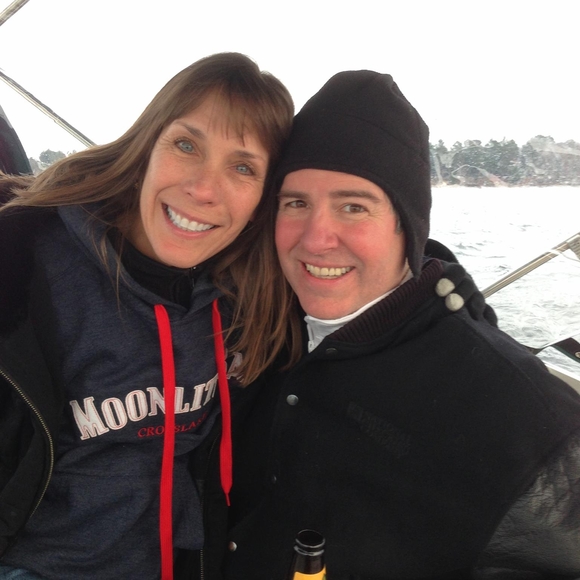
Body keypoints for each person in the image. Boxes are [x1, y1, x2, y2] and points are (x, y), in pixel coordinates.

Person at [216, 71, 580, 578]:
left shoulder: (522, 419)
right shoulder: (253, 333)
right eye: (296, 203)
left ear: (406, 227)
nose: (316, 238)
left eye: (353, 207)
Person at [0, 52, 297, 580]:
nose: (203, 189)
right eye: (186, 145)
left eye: (242, 167)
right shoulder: (25, 267)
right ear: (146, 146)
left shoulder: (247, 293)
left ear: (262, 200)